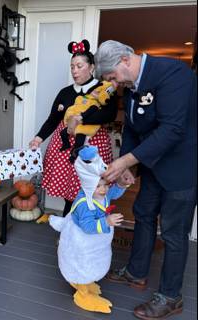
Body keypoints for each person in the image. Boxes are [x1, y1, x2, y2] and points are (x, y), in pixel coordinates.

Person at [93, 40, 197, 319]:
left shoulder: (175, 74)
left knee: (174, 233)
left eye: (112, 76)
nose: (113, 83)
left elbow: (172, 130)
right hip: (152, 166)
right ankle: (136, 272)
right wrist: (131, 166)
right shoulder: (130, 87)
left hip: (182, 168)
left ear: (126, 60)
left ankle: (171, 296)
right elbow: (132, 129)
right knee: (143, 213)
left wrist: (125, 161)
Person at [29, 39, 117, 217]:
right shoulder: (65, 92)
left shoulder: (103, 89)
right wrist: (38, 138)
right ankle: (68, 230)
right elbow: (53, 119)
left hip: (92, 146)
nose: (74, 71)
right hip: (66, 149)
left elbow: (110, 114)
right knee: (69, 193)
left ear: (91, 67)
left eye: (79, 66)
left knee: (91, 190)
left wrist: (81, 119)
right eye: (72, 67)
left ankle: (89, 228)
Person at [47, 146, 127, 313]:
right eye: (99, 186)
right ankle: (83, 294)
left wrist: (120, 183)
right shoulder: (85, 204)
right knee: (83, 264)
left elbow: (113, 194)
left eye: (105, 184)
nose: (104, 189)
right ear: (89, 186)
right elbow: (87, 226)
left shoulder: (101, 194)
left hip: (96, 243)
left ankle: (87, 282)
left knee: (94, 261)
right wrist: (106, 221)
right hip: (82, 243)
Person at [59, 80, 116, 163]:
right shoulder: (82, 98)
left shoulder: (95, 104)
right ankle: (66, 144)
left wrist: (81, 117)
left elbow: (93, 109)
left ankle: (74, 155)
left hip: (83, 128)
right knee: (63, 133)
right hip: (72, 123)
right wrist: (64, 107)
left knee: (79, 142)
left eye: (97, 92)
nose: (94, 92)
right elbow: (74, 105)